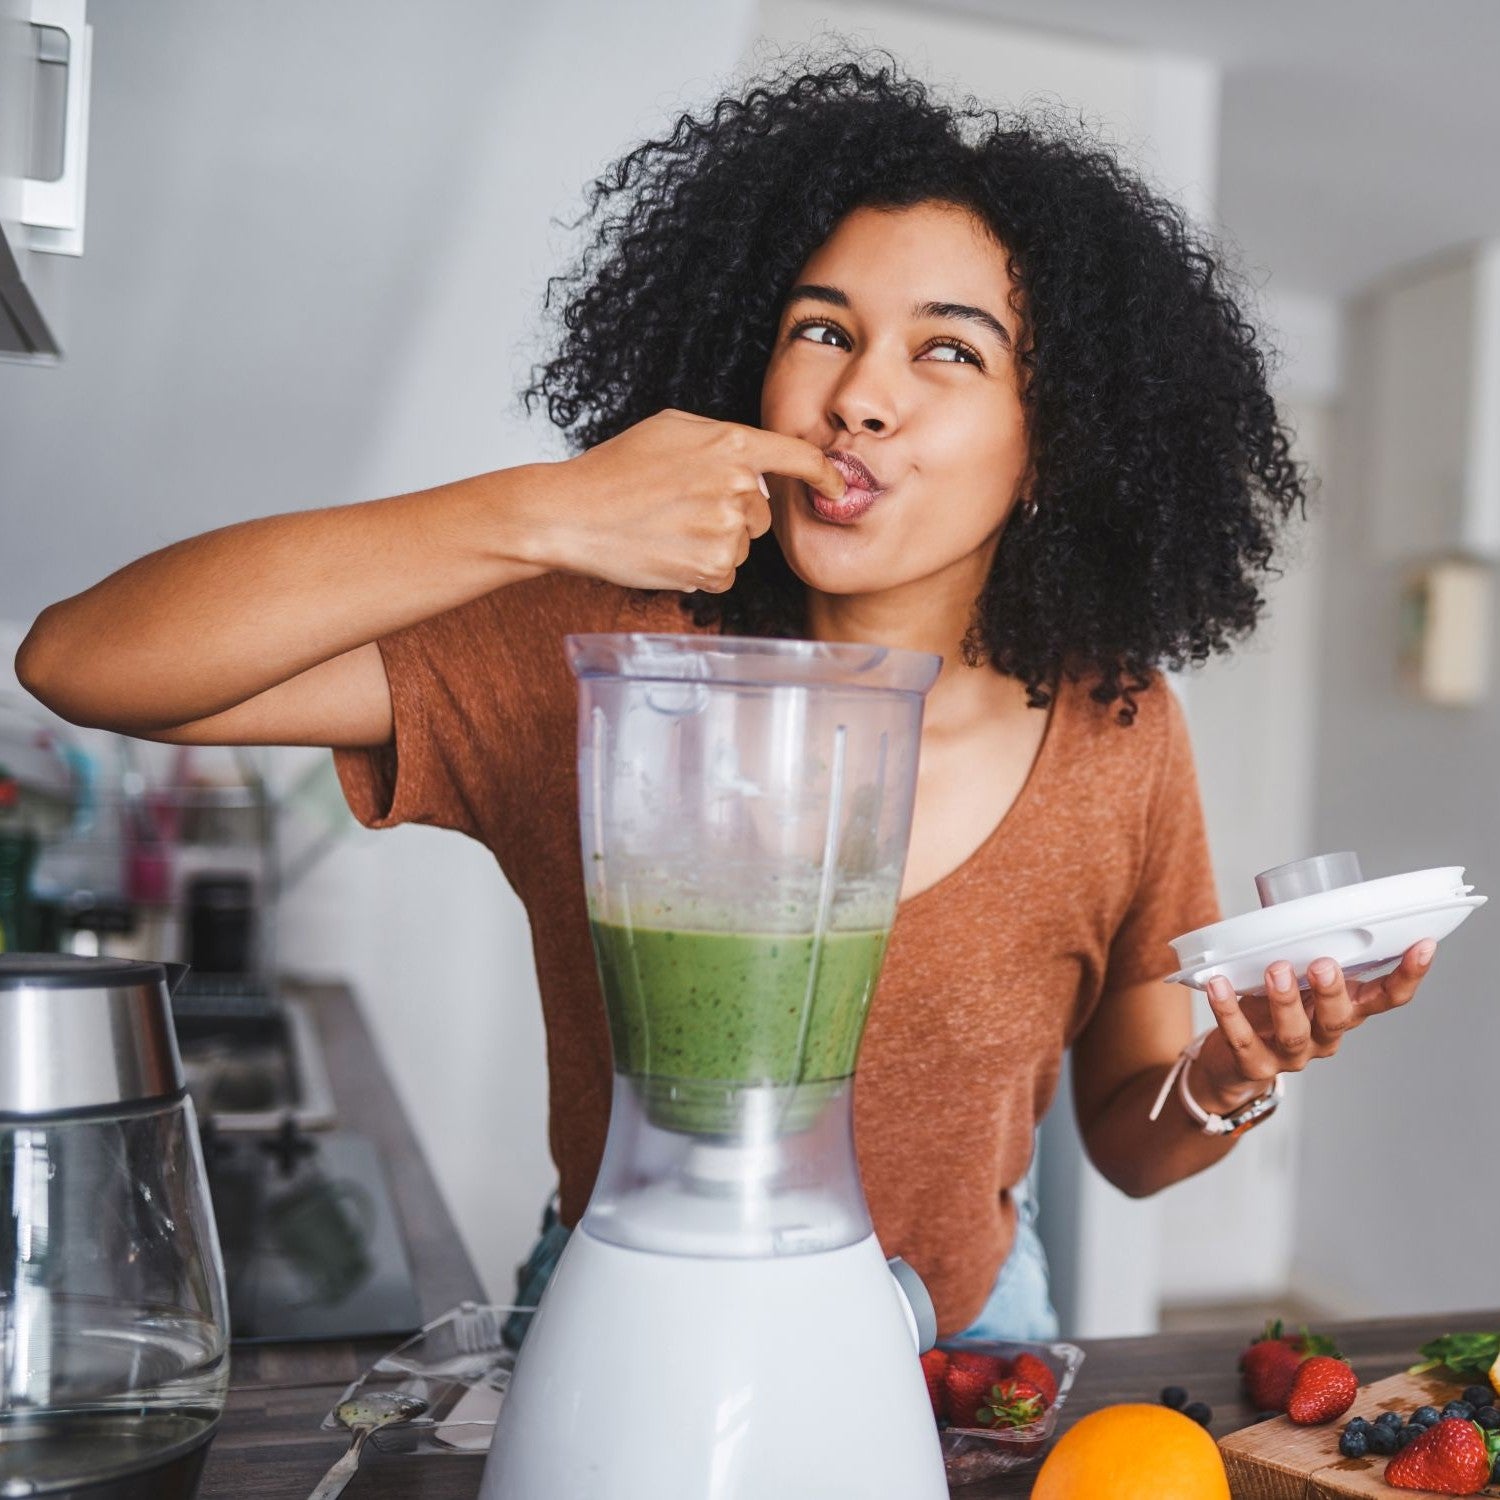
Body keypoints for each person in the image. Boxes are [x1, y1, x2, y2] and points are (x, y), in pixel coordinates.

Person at [16, 56, 1436, 1343]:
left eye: (948, 350)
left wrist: (1236, 1075)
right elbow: (85, 661)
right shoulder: (600, 654)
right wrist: (549, 511)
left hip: (968, 1360)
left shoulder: (1118, 731)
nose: (858, 396)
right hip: (626, 1326)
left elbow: (1133, 1146)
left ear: (1054, 443)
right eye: (823, 329)